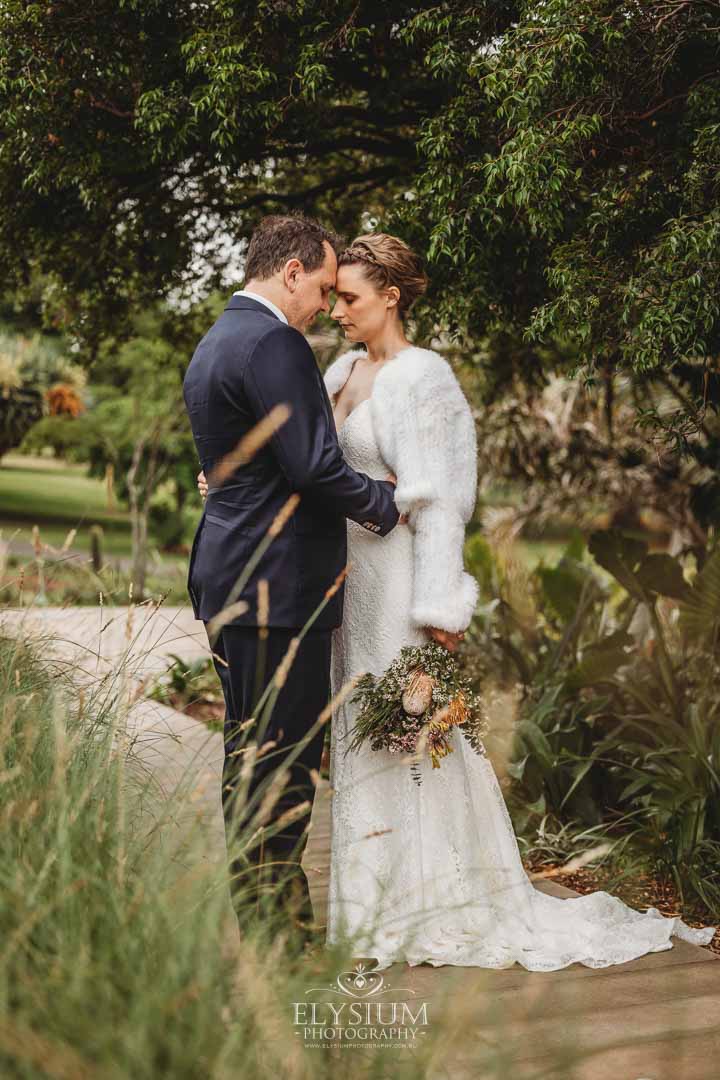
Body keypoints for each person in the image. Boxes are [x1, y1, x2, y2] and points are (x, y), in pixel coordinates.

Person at [320, 231, 715, 970]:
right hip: (351, 579)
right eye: (334, 297)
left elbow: (443, 502)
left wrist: (440, 608)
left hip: (400, 581)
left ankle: (430, 905)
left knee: (412, 732)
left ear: (391, 297)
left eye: (349, 297)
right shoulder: (339, 371)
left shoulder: (423, 376)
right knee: (361, 729)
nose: (336, 310)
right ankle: (370, 906)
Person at [182, 214, 400, 940]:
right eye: (325, 287)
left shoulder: (217, 340)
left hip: (230, 578)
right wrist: (387, 504)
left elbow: (238, 465)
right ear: (293, 272)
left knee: (249, 752)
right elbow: (314, 466)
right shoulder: (275, 342)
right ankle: (280, 931)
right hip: (277, 586)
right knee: (285, 760)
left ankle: (261, 919)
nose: (326, 305)